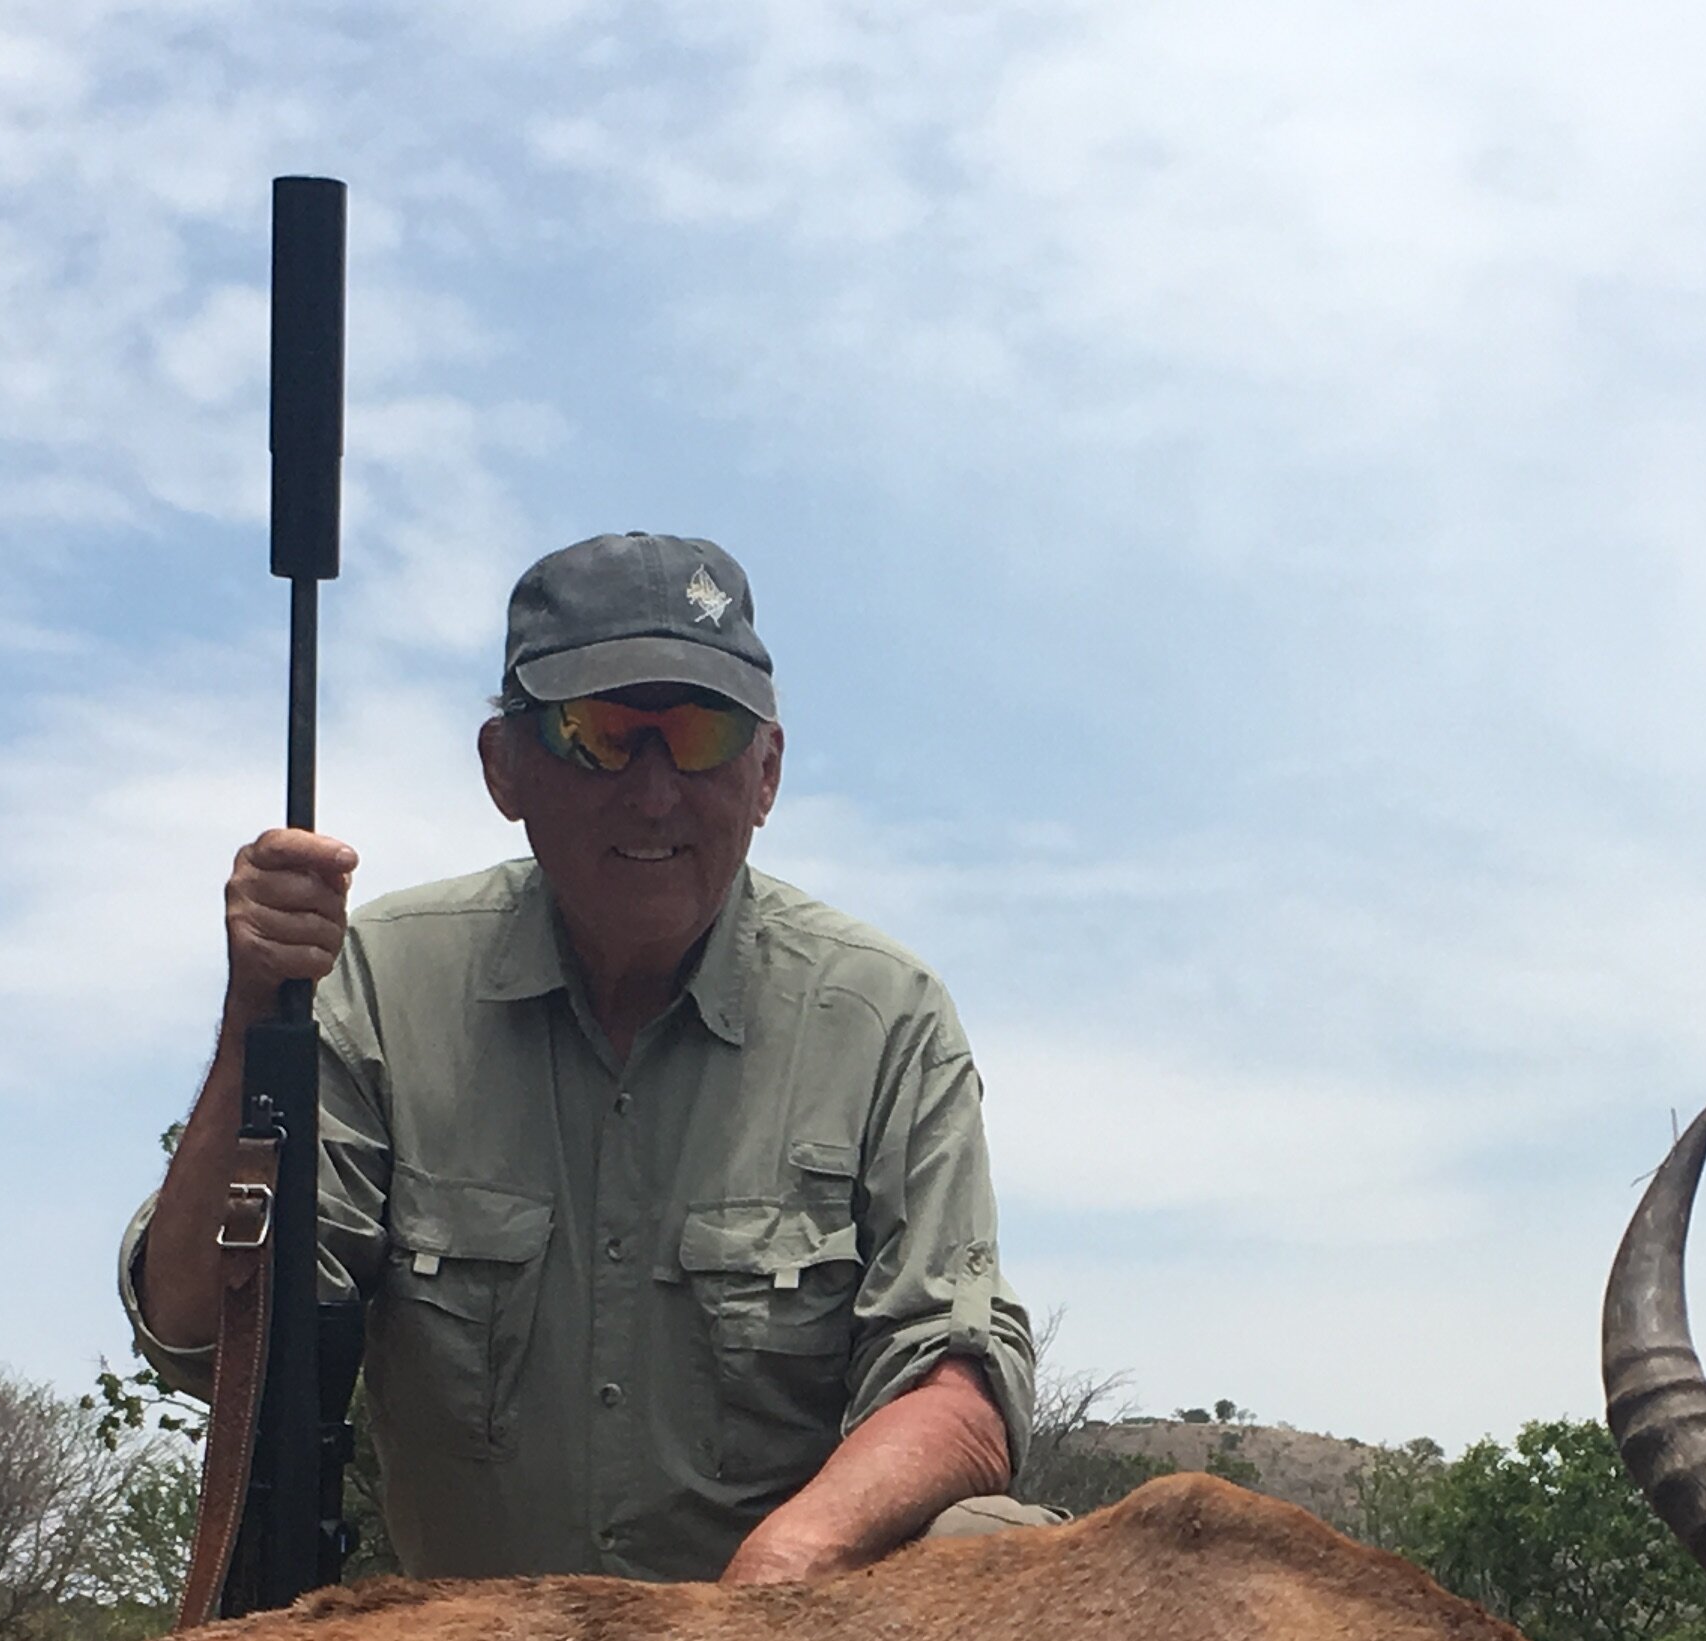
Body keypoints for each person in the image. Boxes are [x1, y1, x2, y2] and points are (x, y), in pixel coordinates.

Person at [124, 532, 1041, 1585]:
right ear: (505, 768)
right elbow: (201, 1335)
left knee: (1003, 1559)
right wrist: (255, 1013)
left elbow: (958, 1386)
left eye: (701, 734)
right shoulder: (371, 981)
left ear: (767, 772)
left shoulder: (888, 1018)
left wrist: (789, 1561)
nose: (654, 794)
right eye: (601, 735)